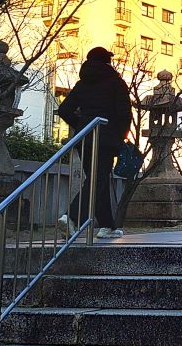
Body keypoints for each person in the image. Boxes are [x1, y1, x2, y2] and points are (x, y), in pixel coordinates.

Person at [56, 46, 132, 238]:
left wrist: (81, 125)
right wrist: (120, 137)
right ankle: (70, 217)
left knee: (97, 179)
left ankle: (107, 225)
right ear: (107, 61)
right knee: (97, 181)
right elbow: (124, 115)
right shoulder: (116, 83)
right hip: (105, 139)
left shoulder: (83, 84)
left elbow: (64, 110)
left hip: (85, 138)